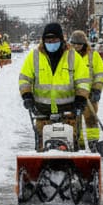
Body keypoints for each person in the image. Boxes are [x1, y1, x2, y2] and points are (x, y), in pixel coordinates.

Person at [17, 22, 90, 151]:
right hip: (42, 111)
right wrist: (27, 96)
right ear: (43, 40)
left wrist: (81, 99)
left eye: (55, 39)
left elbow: (83, 80)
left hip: (69, 111)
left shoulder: (73, 56)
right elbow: (25, 79)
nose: (51, 42)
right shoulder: (34, 56)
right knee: (43, 146)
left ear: (61, 39)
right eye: (48, 40)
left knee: (70, 145)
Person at [70, 29, 103, 150]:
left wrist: (97, 90)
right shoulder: (67, 56)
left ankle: (93, 143)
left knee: (91, 119)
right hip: (72, 95)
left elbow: (100, 74)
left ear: (84, 44)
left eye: (79, 44)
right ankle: (78, 144)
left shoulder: (93, 56)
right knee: (74, 120)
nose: (76, 46)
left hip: (89, 95)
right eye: (74, 44)